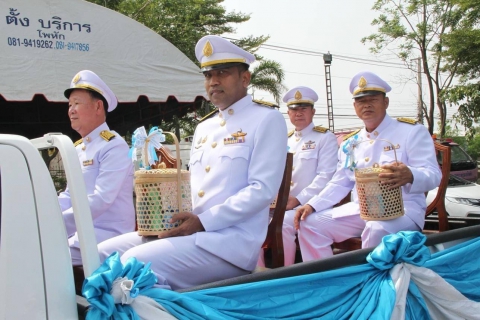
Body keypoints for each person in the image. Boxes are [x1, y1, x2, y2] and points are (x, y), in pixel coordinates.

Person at [97, 35, 288, 290]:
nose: (214, 81)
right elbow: (192, 187)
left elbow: (262, 190)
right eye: (209, 75)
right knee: (100, 252)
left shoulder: (266, 119)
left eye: (223, 73)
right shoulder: (204, 127)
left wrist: (204, 221)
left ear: (245, 78)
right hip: (195, 233)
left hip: (229, 244)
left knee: (135, 264)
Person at [293, 71, 442, 261]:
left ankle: (369, 284)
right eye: (361, 101)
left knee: (376, 227)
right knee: (309, 223)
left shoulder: (411, 131)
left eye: (373, 100)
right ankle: (328, 280)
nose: (367, 105)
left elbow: (433, 175)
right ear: (355, 106)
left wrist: (410, 174)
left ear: (385, 102)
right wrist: (312, 205)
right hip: (361, 210)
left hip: (403, 212)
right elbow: (340, 182)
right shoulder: (351, 142)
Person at [58, 70, 135, 266]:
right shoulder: (77, 148)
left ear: (98, 106)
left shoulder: (113, 145)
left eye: (77, 103)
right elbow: (69, 195)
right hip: (82, 232)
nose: (71, 110)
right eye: (70, 105)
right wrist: (45, 212)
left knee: (49, 259)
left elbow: (101, 199)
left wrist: (56, 224)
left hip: (108, 236)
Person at [259, 86, 338, 267]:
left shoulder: (324, 138)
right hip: (280, 204)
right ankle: (260, 272)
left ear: (313, 111)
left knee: (285, 223)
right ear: (288, 113)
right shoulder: (284, 140)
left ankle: (287, 272)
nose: (299, 113)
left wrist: (299, 199)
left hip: (309, 204)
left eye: (303, 108)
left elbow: (325, 176)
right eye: (294, 109)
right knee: (253, 220)